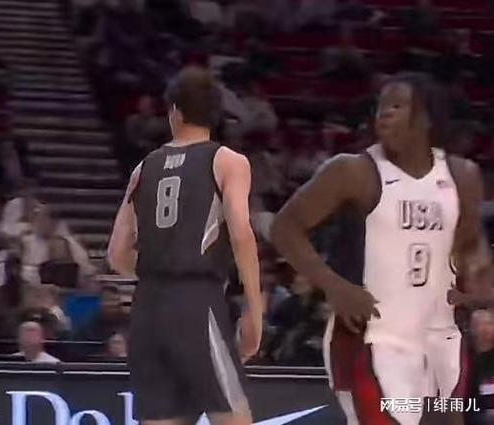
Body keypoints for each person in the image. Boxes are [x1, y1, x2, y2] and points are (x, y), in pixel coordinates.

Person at [272, 72, 491, 425]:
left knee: (448, 418)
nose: (384, 113)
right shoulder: (351, 171)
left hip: (440, 335)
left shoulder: (463, 176)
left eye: (397, 105)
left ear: (427, 117)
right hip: (369, 337)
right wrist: (334, 286)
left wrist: (480, 292)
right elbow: (285, 227)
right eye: (381, 106)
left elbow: (471, 246)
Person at [107, 66, 261, 425]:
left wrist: (157, 273)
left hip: (147, 307)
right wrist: (254, 309)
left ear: (174, 111)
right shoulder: (228, 161)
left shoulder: (143, 167)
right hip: (196, 300)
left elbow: (116, 254)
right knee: (233, 418)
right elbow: (241, 233)